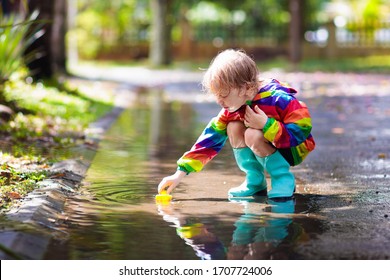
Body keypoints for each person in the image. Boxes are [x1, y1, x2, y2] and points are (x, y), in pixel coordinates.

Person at [157, 49, 315, 199]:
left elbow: (302, 129)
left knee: (252, 134)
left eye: (223, 94)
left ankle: (282, 178)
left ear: (245, 88)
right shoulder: (233, 106)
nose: (219, 101)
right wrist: (179, 174)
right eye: (216, 94)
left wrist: (267, 124)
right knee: (232, 126)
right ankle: (255, 180)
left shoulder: (277, 98)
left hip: (292, 147)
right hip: (270, 141)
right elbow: (209, 139)